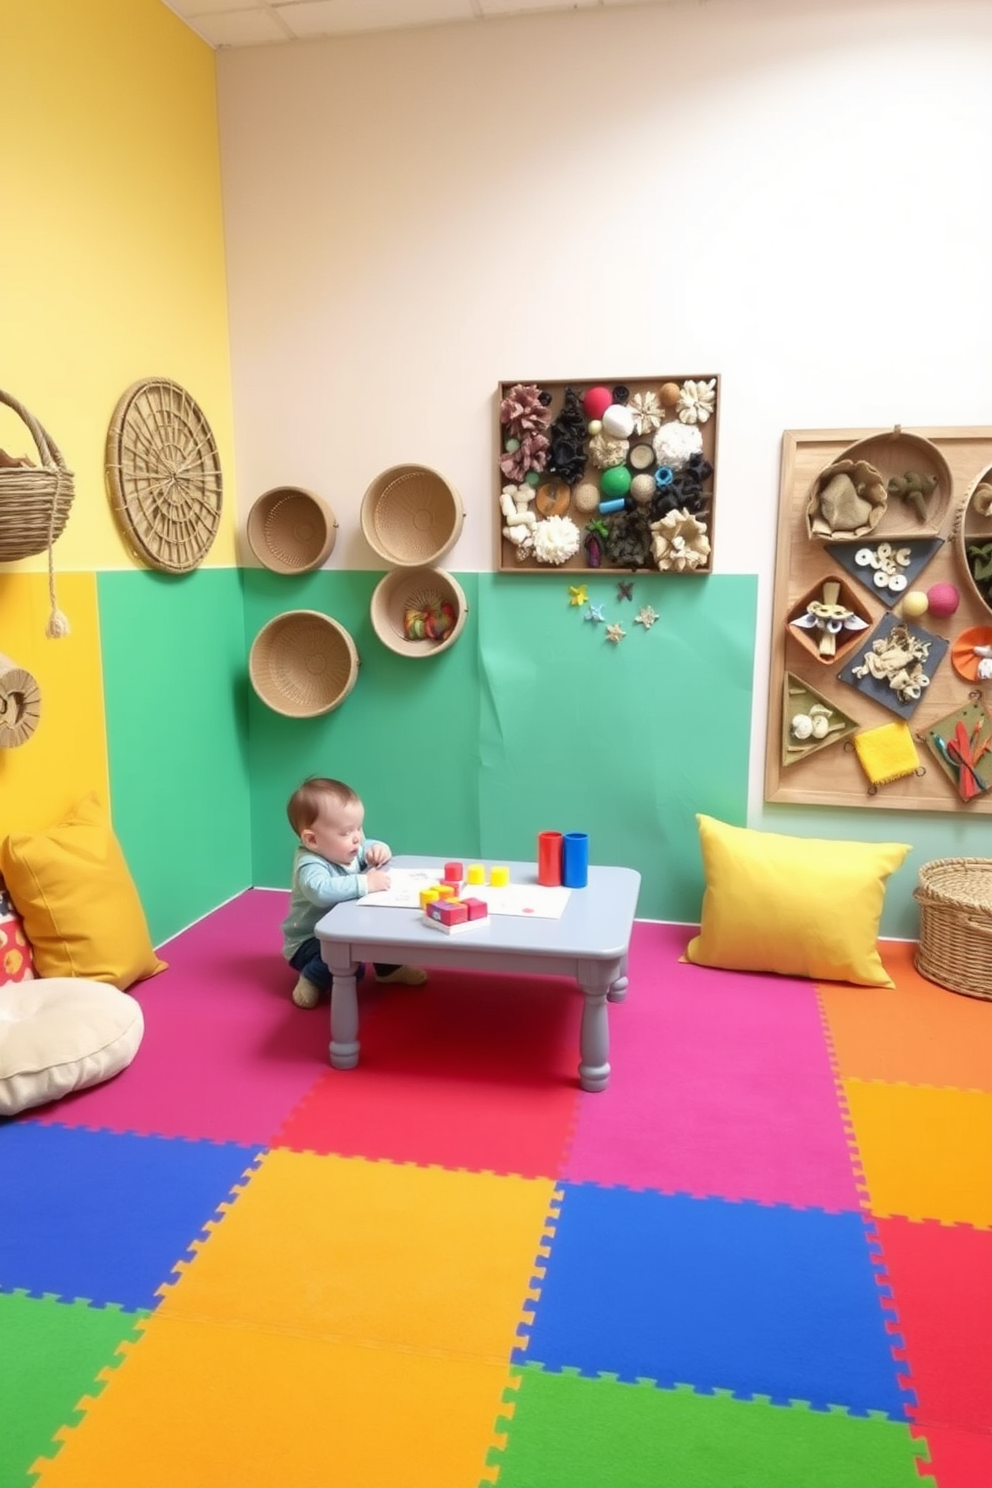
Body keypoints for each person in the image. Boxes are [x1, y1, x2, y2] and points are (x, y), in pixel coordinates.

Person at [282, 776, 427, 1009]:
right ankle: (311, 978)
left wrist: (379, 850)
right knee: (349, 963)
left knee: (382, 931)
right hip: (311, 941)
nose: (357, 837)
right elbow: (320, 891)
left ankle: (389, 969)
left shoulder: (350, 849)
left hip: (348, 928)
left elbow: (368, 845)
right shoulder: (310, 863)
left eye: (359, 827)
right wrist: (364, 883)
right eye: (346, 832)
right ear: (312, 839)